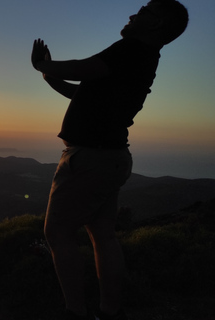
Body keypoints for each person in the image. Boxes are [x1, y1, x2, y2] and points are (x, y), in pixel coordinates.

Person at [31, 1, 188, 319]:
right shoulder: (144, 58)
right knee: (102, 233)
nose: (133, 14)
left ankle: (75, 311)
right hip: (111, 157)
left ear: (156, 23)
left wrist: (41, 65)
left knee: (58, 234)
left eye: (144, 11)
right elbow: (86, 94)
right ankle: (110, 310)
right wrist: (51, 77)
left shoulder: (131, 49)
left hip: (90, 158)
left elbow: (83, 67)